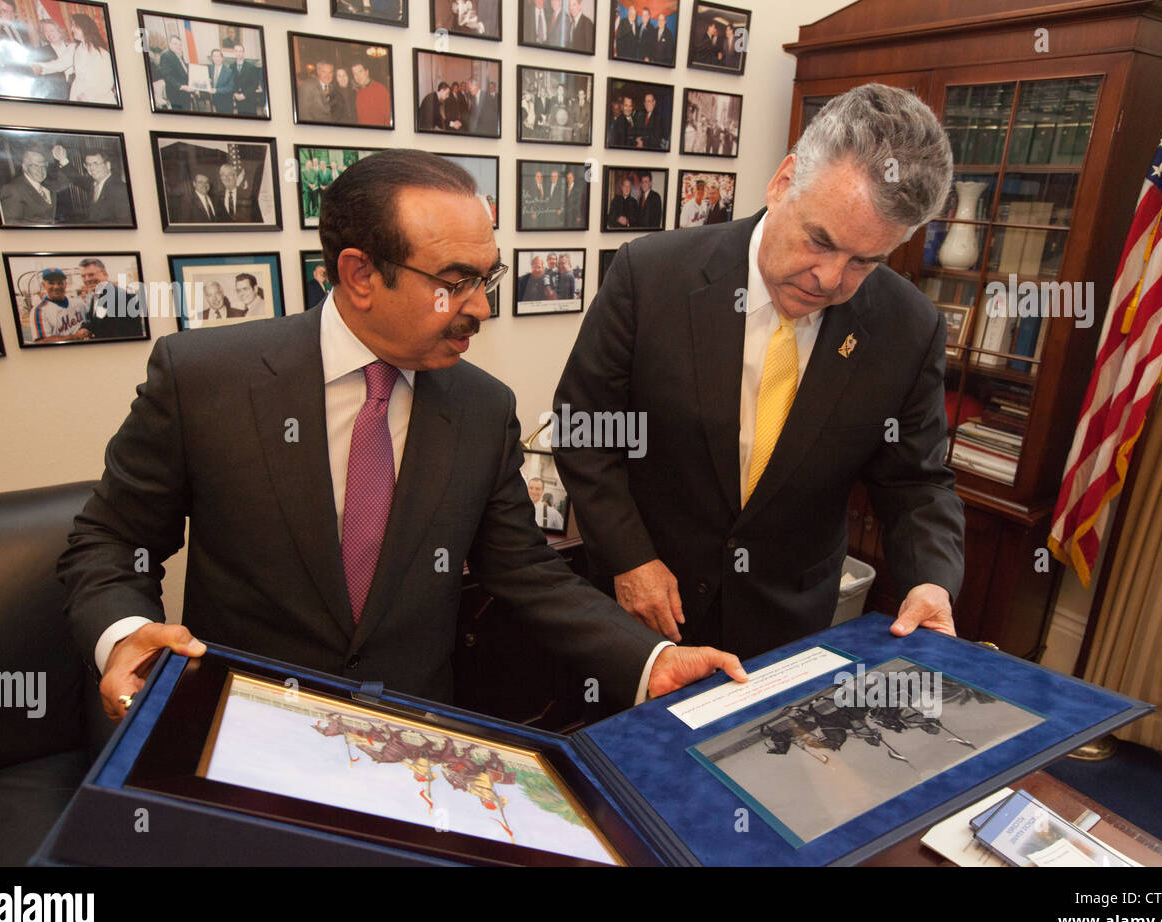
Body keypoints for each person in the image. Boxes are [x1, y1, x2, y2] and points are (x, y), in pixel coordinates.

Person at [58, 150, 744, 723]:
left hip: (411, 742)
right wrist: (124, 636)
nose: (480, 307)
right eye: (456, 282)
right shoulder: (203, 380)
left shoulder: (481, 408)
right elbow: (111, 541)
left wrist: (650, 659)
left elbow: (526, 572)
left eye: (488, 277)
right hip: (243, 727)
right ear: (360, 274)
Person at [553, 85, 965, 662]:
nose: (828, 278)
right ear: (783, 182)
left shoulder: (908, 327)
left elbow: (914, 480)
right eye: (820, 240)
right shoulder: (651, 276)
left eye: (864, 262)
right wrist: (629, 559)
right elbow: (584, 431)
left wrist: (929, 581)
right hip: (646, 611)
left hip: (787, 623)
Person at [47, 146, 129, 224]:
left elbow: (123, 222)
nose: (92, 168)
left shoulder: (121, 189)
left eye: (96, 163)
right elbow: (77, 178)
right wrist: (62, 158)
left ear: (108, 165)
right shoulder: (93, 184)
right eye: (89, 165)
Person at [78, 258, 145, 340]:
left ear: (105, 274)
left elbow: (133, 335)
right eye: (83, 276)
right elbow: (97, 322)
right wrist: (86, 329)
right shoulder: (94, 296)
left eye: (91, 275)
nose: (87, 279)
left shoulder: (125, 297)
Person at [28, 268, 88, 343]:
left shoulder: (78, 303)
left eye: (60, 283)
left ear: (65, 284)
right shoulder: (39, 311)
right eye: (51, 283)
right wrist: (74, 337)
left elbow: (90, 321)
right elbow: (42, 341)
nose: (56, 287)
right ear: (44, 285)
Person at [0, 148, 56, 225]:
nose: (41, 170)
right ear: (25, 167)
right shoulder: (13, 189)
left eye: (43, 166)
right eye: (35, 166)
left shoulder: (48, 186)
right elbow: (11, 224)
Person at [351, 60, 391, 127]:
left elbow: (389, 116)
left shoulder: (380, 89)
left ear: (366, 72)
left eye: (360, 72)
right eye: (355, 73)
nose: (358, 76)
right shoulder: (358, 91)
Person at [159, 34, 193, 111]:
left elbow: (185, 73)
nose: (178, 46)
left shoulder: (179, 56)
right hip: (176, 94)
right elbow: (167, 76)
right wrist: (181, 86)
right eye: (175, 44)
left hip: (185, 93)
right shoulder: (166, 56)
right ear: (169, 44)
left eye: (180, 45)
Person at [231, 44, 263, 116]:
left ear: (243, 53)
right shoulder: (231, 67)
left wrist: (244, 95)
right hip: (238, 99)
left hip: (249, 99)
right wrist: (235, 94)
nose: (238, 53)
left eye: (240, 51)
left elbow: (255, 84)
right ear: (234, 53)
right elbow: (231, 82)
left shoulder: (251, 67)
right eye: (236, 51)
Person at [208, 49, 235, 114]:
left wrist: (216, 90)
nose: (216, 58)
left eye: (218, 56)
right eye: (214, 56)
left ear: (222, 58)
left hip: (226, 102)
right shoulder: (209, 69)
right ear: (212, 58)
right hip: (215, 101)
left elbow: (230, 88)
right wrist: (207, 82)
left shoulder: (229, 71)